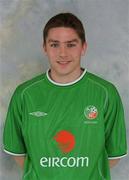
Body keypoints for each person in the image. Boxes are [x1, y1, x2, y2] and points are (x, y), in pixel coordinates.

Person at [3, 12, 127, 180]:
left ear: (83, 47)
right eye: (54, 45)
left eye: (71, 45)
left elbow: (114, 155)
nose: (63, 53)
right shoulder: (25, 94)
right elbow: (17, 152)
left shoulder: (105, 93)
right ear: (44, 47)